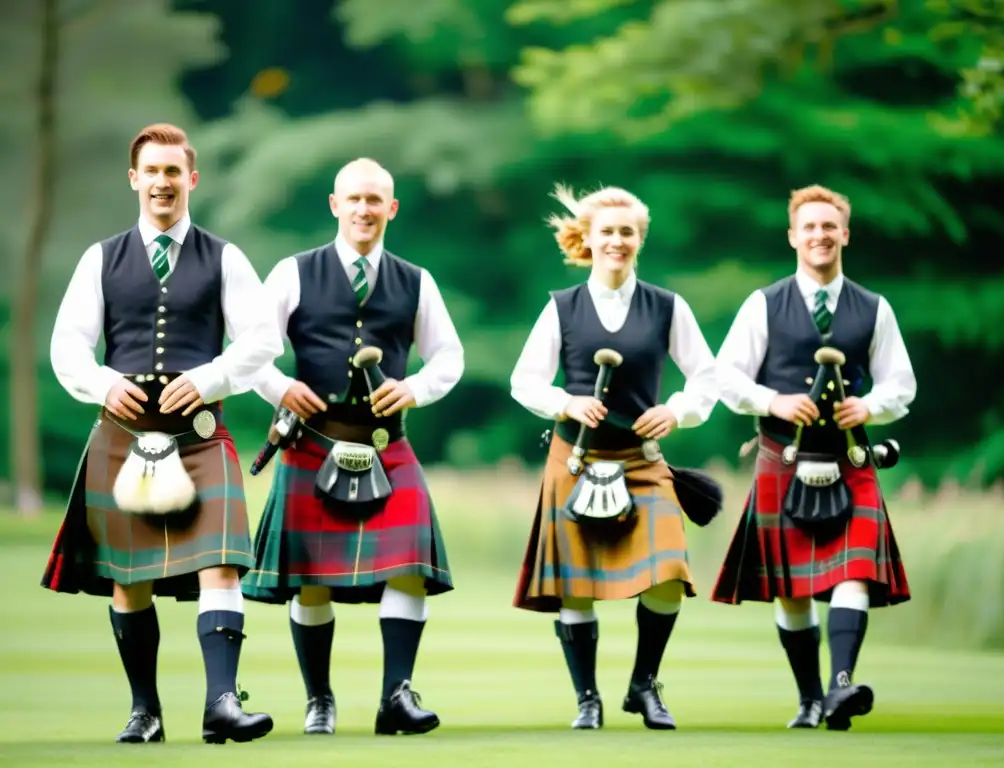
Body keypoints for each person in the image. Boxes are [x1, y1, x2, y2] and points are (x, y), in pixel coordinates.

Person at [41, 123, 281, 744]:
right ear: (134, 179)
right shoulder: (102, 258)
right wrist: (100, 383)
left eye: (173, 171)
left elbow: (262, 338)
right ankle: (144, 712)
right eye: (152, 171)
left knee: (221, 565)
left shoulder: (225, 256)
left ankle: (222, 704)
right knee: (129, 576)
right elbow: (67, 345)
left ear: (191, 179)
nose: (162, 182)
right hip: (122, 437)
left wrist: (212, 377)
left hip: (201, 434)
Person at [240, 158, 463, 737]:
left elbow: (449, 357)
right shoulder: (293, 271)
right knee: (311, 577)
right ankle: (319, 700)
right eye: (354, 199)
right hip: (312, 442)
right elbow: (251, 350)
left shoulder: (416, 279)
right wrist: (281, 387)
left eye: (376, 200)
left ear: (391, 209)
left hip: (388, 444)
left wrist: (412, 388)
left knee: (409, 566)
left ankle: (397, 696)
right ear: (335, 206)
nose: (364, 210)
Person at [510, 183, 719, 731]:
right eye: (607, 231)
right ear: (588, 238)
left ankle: (643, 686)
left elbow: (707, 377)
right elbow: (524, 381)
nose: (617, 241)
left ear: (639, 239)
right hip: (574, 460)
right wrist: (566, 401)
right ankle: (587, 699)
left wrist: (677, 410)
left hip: (642, 460)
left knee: (669, 571)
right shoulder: (561, 308)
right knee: (576, 583)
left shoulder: (668, 306)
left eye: (627, 232)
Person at [711, 184, 916, 731]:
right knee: (791, 589)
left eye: (830, 227)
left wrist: (867, 406)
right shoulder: (764, 303)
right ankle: (809, 699)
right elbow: (725, 377)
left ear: (844, 233)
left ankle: (839, 688)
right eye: (810, 227)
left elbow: (901, 384)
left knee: (853, 573)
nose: (820, 236)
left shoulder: (874, 307)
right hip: (782, 457)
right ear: (793, 237)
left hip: (850, 461)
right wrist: (771, 399)